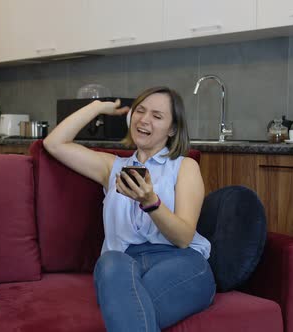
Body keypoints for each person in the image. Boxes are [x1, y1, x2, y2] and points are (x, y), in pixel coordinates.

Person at [43, 87, 216, 331]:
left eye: (157, 116)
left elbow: (184, 238)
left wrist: (151, 203)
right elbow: (54, 143)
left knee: (128, 311)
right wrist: (98, 107)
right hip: (123, 264)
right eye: (140, 111)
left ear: (173, 128)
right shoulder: (111, 167)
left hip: (181, 262)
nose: (144, 119)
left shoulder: (184, 167)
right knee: (110, 263)